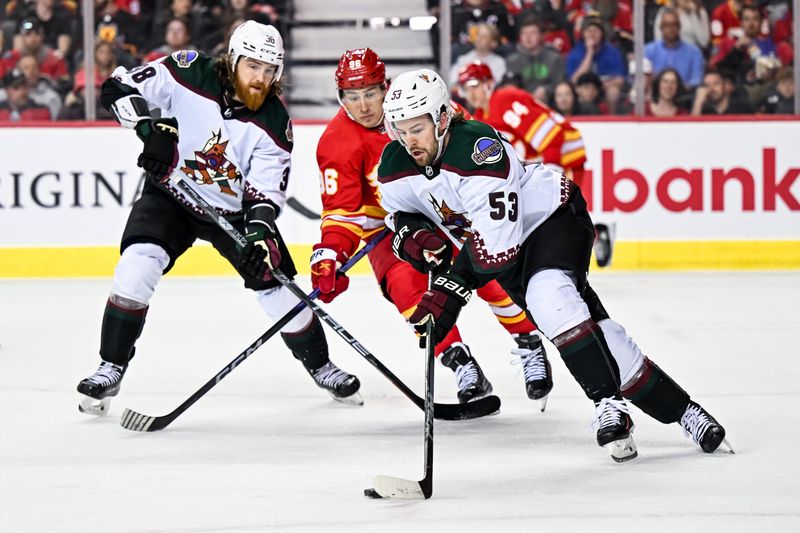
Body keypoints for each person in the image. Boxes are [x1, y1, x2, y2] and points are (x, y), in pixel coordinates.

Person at [377, 67, 730, 461]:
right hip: (504, 252)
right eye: (400, 129)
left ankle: (607, 405)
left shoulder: (477, 147)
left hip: (551, 218)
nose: (409, 141)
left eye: (417, 128)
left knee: (550, 296)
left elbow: (496, 245)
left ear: (442, 118)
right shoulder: (394, 165)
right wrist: (417, 239)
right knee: (600, 334)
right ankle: (687, 413)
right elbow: (399, 217)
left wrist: (449, 290)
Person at [76, 21, 362, 415]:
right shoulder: (191, 70)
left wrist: (260, 235)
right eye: (253, 66)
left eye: (269, 70)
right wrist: (147, 127)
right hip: (171, 194)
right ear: (233, 59)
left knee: (276, 287)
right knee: (137, 263)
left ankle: (321, 365)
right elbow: (119, 85)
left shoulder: (275, 122)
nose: (261, 78)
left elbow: (265, 192)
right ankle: (111, 366)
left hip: (235, 213)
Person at [312, 48, 552, 405]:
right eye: (353, 97)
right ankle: (460, 363)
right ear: (341, 97)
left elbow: (467, 154)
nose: (363, 106)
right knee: (409, 291)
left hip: (447, 213)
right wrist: (331, 252)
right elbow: (343, 212)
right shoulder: (337, 142)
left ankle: (528, 340)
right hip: (390, 229)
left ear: (385, 88)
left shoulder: (425, 105)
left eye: (370, 94)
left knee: (486, 271)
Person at [457, 61, 614, 268]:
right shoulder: (480, 117)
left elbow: (551, 136)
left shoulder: (505, 101)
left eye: (475, 85)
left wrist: (554, 168)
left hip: (563, 154)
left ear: (489, 83)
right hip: (538, 164)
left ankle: (595, 235)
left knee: (559, 213)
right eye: (465, 88)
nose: (471, 93)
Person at [645, 7, 705, 89]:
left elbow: (697, 79)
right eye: (666, 25)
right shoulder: (648, 51)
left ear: (679, 27)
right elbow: (642, 78)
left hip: (685, 96)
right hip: (655, 96)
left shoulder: (694, 52)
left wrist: (677, 89)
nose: (670, 29)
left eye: (674, 25)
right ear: (661, 27)